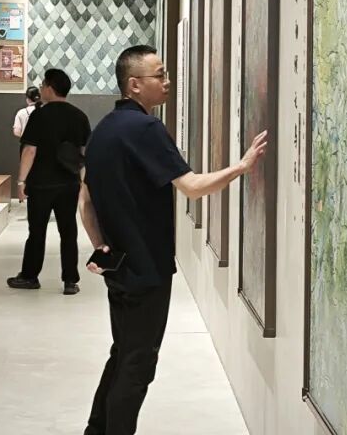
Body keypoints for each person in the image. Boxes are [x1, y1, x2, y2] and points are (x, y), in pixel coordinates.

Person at [79, 45, 268, 435]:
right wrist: (242, 165)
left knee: (123, 354)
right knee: (137, 365)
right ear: (134, 84)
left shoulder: (103, 131)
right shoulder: (145, 129)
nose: (167, 82)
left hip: (120, 267)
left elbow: (85, 201)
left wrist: (100, 245)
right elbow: (193, 187)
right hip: (146, 269)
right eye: (160, 75)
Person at [7, 69, 91, 295]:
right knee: (68, 231)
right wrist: (83, 183)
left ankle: (30, 276)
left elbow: (30, 151)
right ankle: (70, 280)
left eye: (43, 85)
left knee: (37, 231)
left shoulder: (39, 115)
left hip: (41, 184)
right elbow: (83, 153)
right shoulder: (79, 116)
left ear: (50, 88)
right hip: (69, 183)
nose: (41, 89)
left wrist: (21, 182)